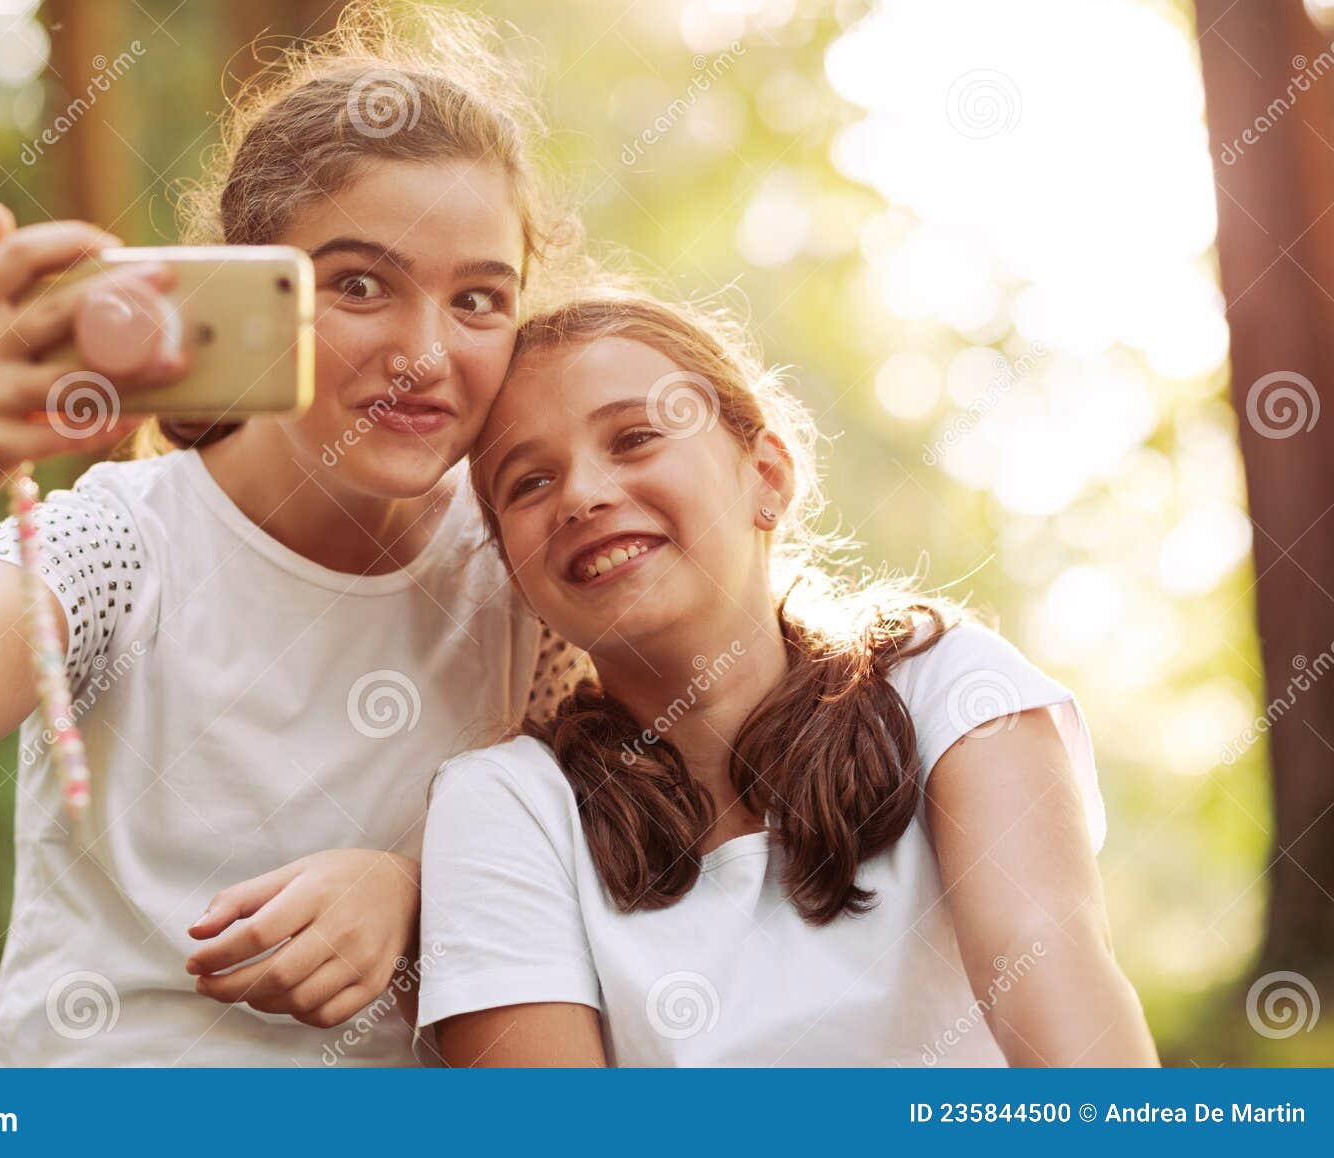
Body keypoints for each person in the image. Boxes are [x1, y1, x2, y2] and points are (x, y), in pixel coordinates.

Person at [0, 3, 586, 1066]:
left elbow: (611, 844)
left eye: (479, 300)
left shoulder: (526, 576)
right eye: (359, 285)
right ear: (250, 292)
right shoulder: (127, 539)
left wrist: (418, 892)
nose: (423, 352)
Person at [417, 292, 1159, 1066]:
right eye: (528, 483)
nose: (582, 495)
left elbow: (1049, 973)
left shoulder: (945, 685)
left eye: (634, 438)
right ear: (514, 571)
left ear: (767, 476)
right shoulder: (505, 806)